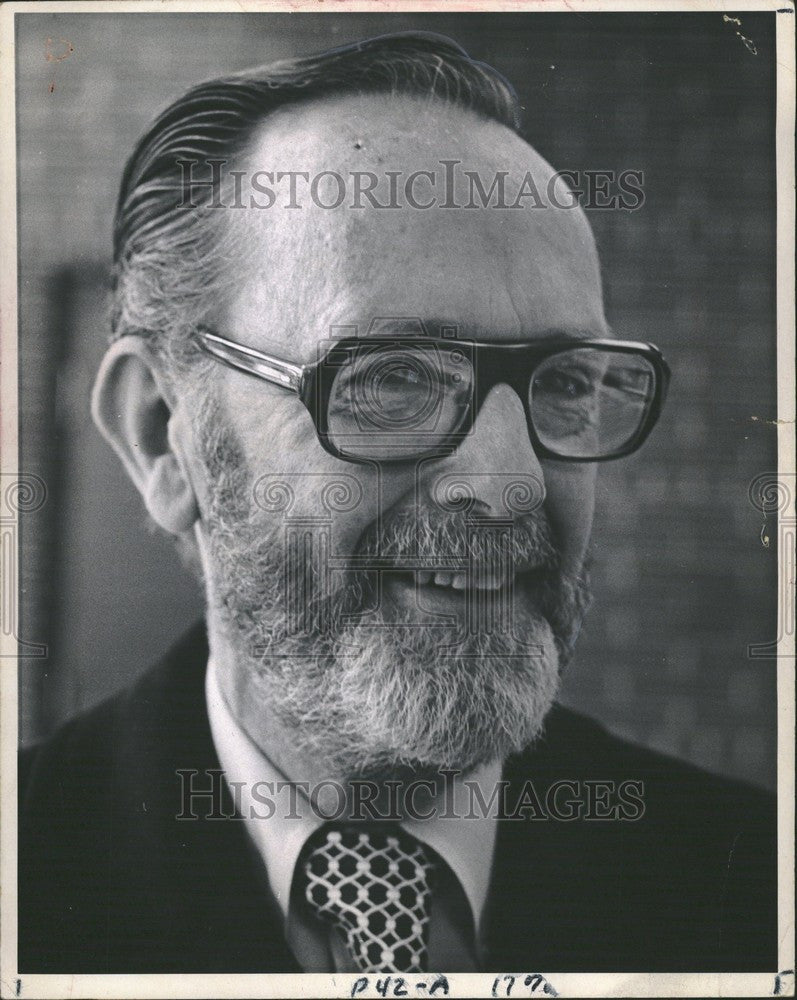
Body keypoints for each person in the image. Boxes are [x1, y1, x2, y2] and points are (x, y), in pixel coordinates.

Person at [19, 32, 775, 974]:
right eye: (392, 378)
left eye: (566, 383)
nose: (509, 487)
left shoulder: (748, 882)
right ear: (161, 435)